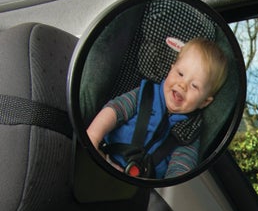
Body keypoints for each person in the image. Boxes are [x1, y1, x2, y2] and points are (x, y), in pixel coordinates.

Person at [86, 37, 228, 179]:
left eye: (194, 86)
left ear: (205, 102)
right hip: (104, 157)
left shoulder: (189, 129)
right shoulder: (145, 93)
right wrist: (93, 136)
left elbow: (182, 167)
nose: (182, 85)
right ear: (171, 70)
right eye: (180, 74)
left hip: (141, 183)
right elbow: (114, 110)